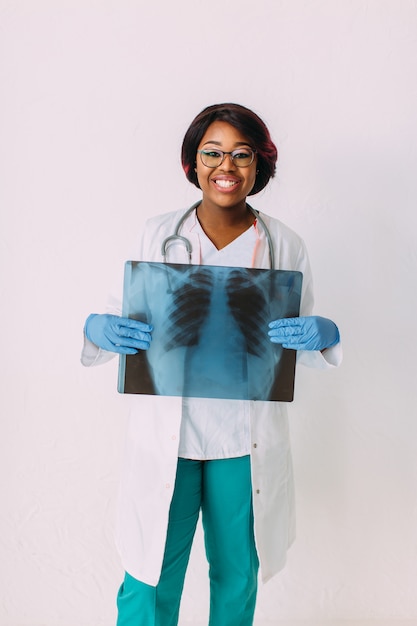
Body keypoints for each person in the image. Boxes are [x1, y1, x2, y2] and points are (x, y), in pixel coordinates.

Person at [81, 103, 342, 626]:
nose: (227, 166)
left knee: (237, 576)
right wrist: (97, 328)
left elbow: (300, 341)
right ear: (193, 162)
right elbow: (118, 318)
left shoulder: (284, 244)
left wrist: (325, 334)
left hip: (241, 445)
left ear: (259, 164)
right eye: (213, 152)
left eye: (242, 154)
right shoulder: (156, 233)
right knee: (149, 577)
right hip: (168, 443)